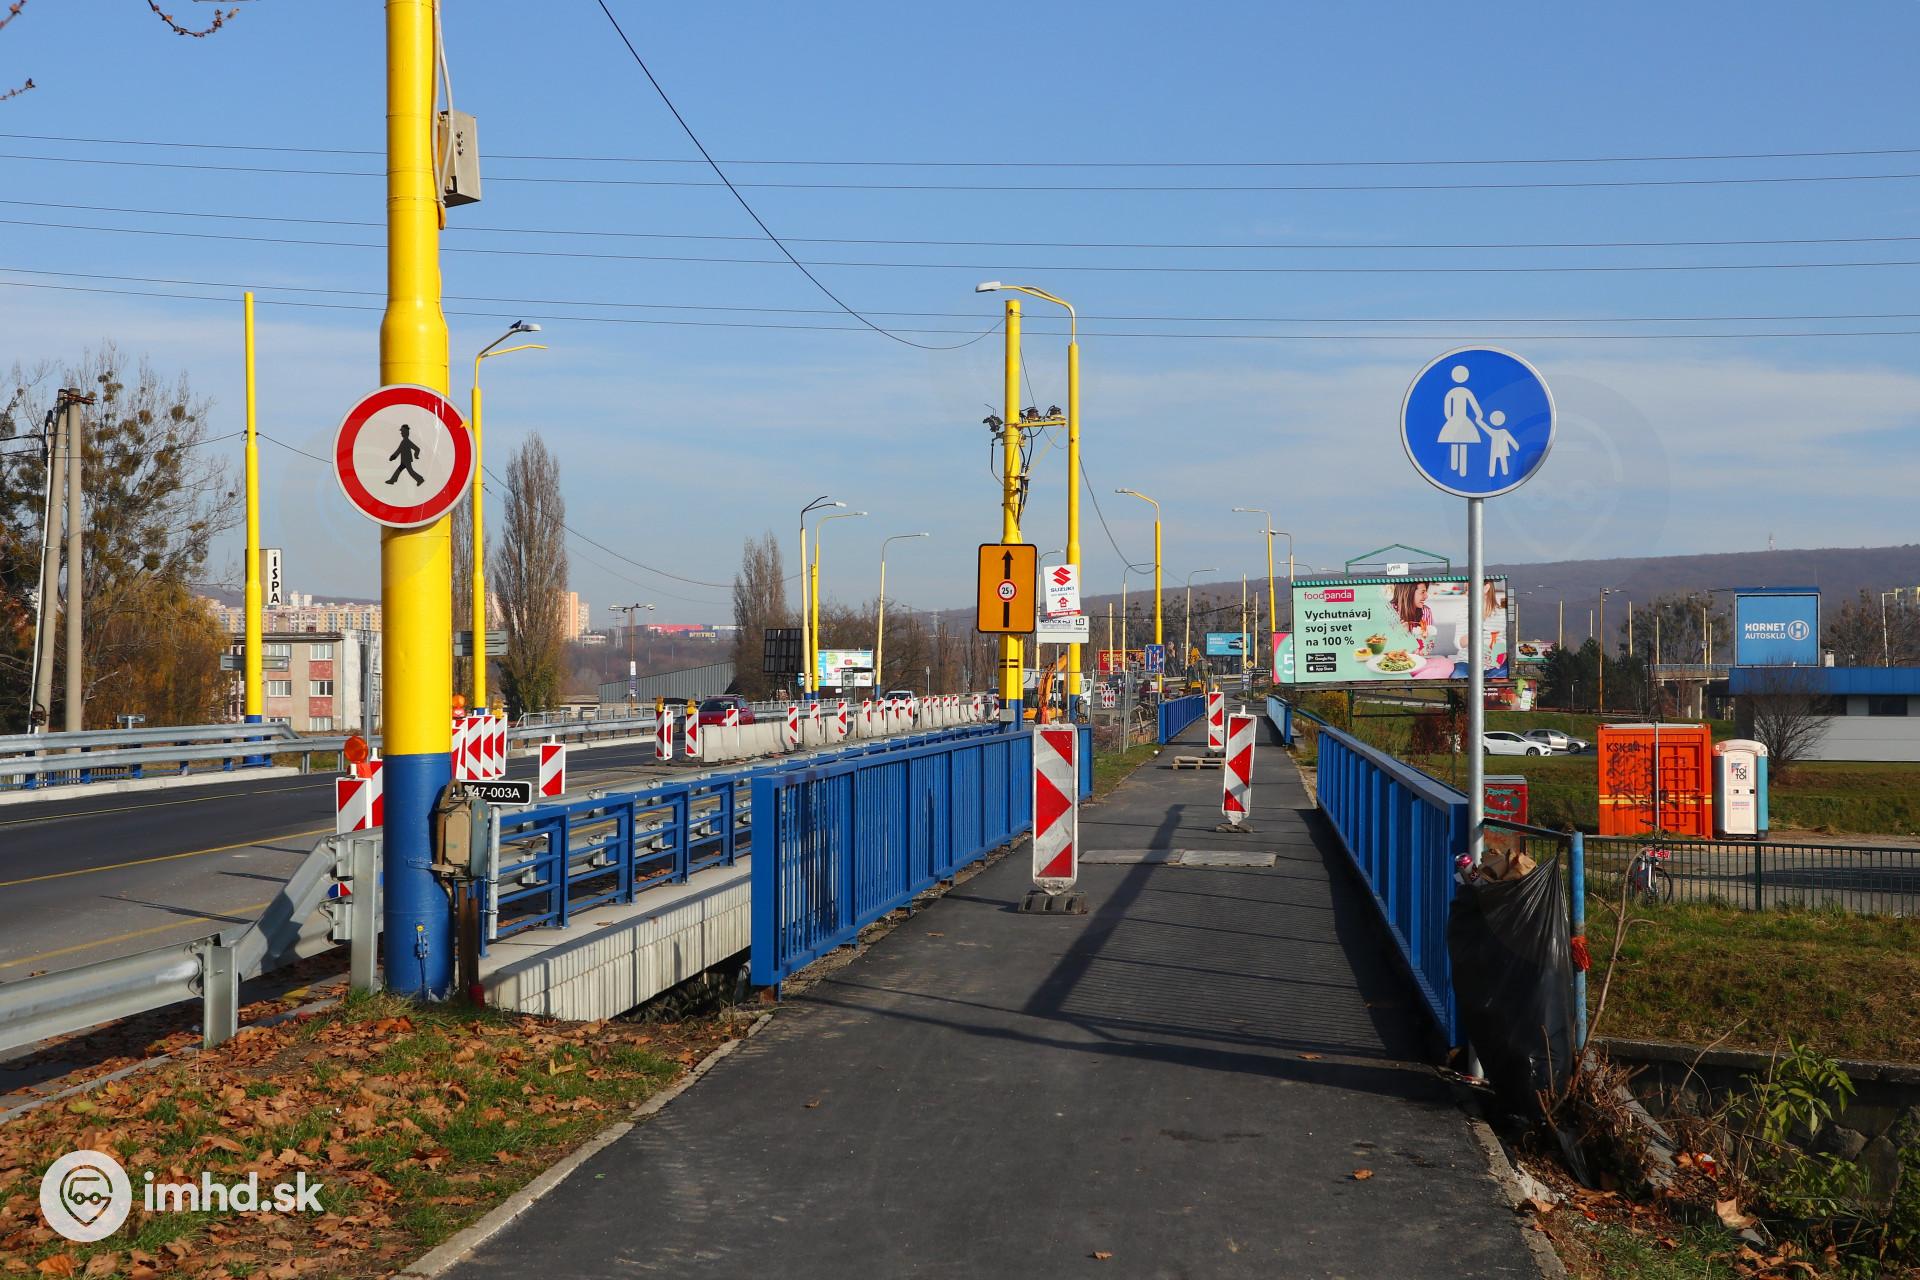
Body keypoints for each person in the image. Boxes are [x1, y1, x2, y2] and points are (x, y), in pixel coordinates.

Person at [1436, 365, 1487, 478]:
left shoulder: (1453, 392)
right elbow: (1474, 405)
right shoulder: (1463, 392)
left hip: (1456, 419)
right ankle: (1457, 467)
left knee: (1458, 441)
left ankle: (1458, 467)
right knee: (1460, 441)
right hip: (1461, 420)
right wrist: (1479, 414)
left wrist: (1450, 418)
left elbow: (1447, 408)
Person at [1387, 581, 1433, 652]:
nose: (1426, 596)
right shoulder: (1388, 611)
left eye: (1426, 591)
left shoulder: (1426, 612)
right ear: (1409, 592)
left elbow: (1427, 647)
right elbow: (1383, 647)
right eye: (1422, 592)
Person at [1485, 409, 1519, 478]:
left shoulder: (1500, 432)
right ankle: (1493, 474)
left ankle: (1503, 474)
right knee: (1496, 461)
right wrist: (1516, 447)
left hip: (1501, 449)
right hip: (1496, 450)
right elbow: (1486, 428)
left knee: (1501, 461)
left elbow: (1510, 439)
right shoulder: (1498, 432)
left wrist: (1516, 446)